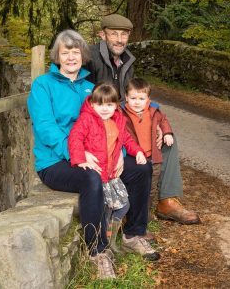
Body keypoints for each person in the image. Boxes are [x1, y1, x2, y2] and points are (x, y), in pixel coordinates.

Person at [27, 30, 154, 280]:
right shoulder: (43, 85)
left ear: (83, 55)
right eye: (66, 52)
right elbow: (45, 128)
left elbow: (114, 121)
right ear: (57, 56)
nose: (72, 57)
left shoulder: (90, 89)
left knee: (141, 169)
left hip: (100, 155)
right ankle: (97, 251)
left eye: (76, 52)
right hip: (55, 162)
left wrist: (119, 154)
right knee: (91, 178)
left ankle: (133, 234)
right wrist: (79, 155)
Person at [85, 14, 200, 225]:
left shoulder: (127, 59)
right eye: (114, 34)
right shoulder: (90, 58)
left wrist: (156, 123)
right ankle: (130, 205)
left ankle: (167, 200)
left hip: (125, 118)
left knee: (167, 141)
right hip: (102, 125)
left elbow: (137, 96)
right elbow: (85, 100)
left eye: (124, 34)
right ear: (102, 35)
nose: (119, 39)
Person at [68, 83, 159, 260]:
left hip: (111, 175)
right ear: (92, 104)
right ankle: (103, 243)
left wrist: (138, 151)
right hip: (98, 174)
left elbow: (127, 140)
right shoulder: (86, 120)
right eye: (100, 105)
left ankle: (120, 233)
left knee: (123, 205)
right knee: (103, 207)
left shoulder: (117, 120)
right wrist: (80, 158)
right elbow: (75, 138)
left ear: (116, 106)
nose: (104, 109)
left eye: (109, 105)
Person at [121, 78, 197, 222]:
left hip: (151, 156)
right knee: (138, 185)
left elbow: (163, 120)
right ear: (126, 98)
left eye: (141, 98)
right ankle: (132, 212)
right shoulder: (122, 113)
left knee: (151, 186)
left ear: (148, 99)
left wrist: (167, 132)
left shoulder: (153, 110)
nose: (137, 102)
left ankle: (151, 209)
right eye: (133, 98)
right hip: (133, 153)